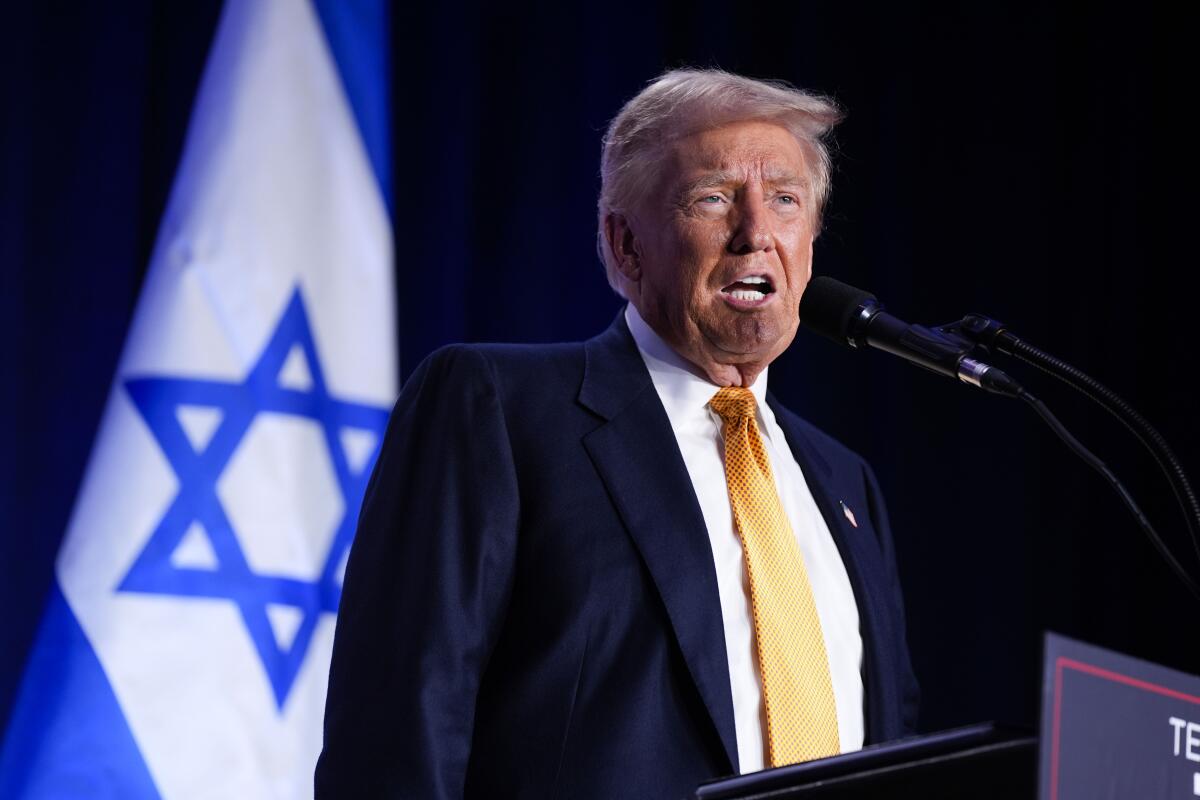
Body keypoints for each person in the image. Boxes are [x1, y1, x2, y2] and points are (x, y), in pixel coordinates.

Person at [315, 68, 918, 799]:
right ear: (626, 245)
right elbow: (396, 734)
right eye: (714, 198)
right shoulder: (498, 409)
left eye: (785, 200)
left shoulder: (845, 483)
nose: (756, 233)